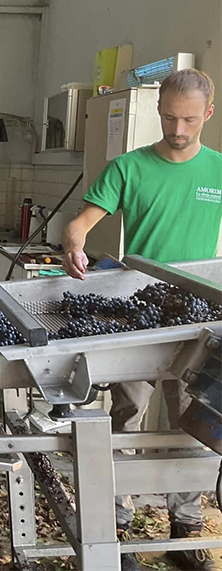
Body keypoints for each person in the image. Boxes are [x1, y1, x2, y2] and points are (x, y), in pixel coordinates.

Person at [62, 68, 222, 571]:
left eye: (189, 120)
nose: (178, 129)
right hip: (141, 313)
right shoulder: (128, 168)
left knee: (194, 425)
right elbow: (81, 223)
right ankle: (115, 523)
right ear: (158, 111)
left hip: (198, 322)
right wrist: (74, 244)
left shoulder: (219, 171)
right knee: (126, 416)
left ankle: (186, 529)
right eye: (170, 118)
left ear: (208, 114)